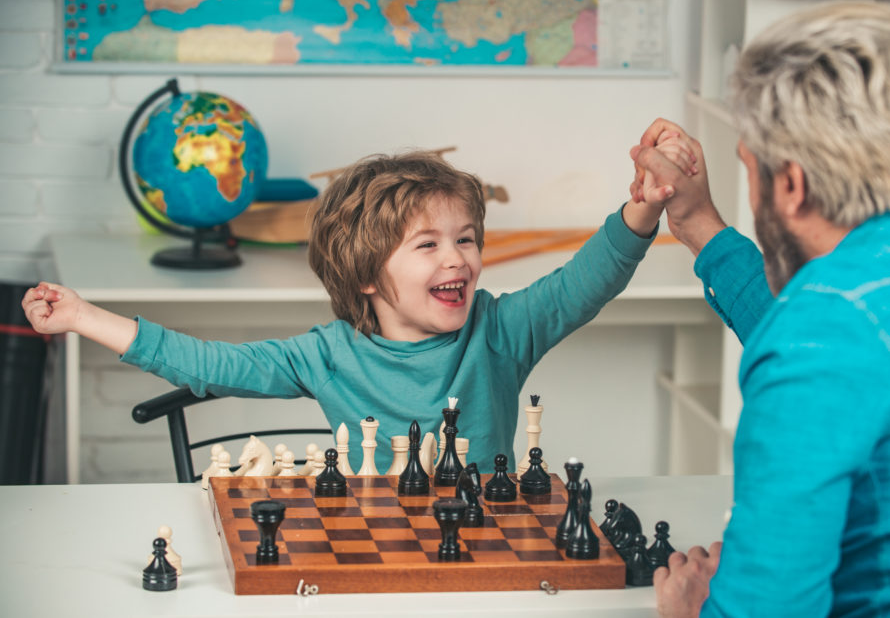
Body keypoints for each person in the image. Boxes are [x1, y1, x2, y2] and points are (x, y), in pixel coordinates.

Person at [630, 1, 890, 616]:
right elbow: (851, 349)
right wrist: (702, 226)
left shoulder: (820, 340)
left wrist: (688, 609)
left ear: (791, 185)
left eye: (752, 170)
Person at [23, 148, 677, 472]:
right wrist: (83, 317)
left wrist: (644, 208)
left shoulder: (499, 332)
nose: (458, 259)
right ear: (366, 274)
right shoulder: (327, 355)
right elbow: (209, 364)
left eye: (467, 239)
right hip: (373, 549)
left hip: (483, 547)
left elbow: (583, 282)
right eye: (428, 245)